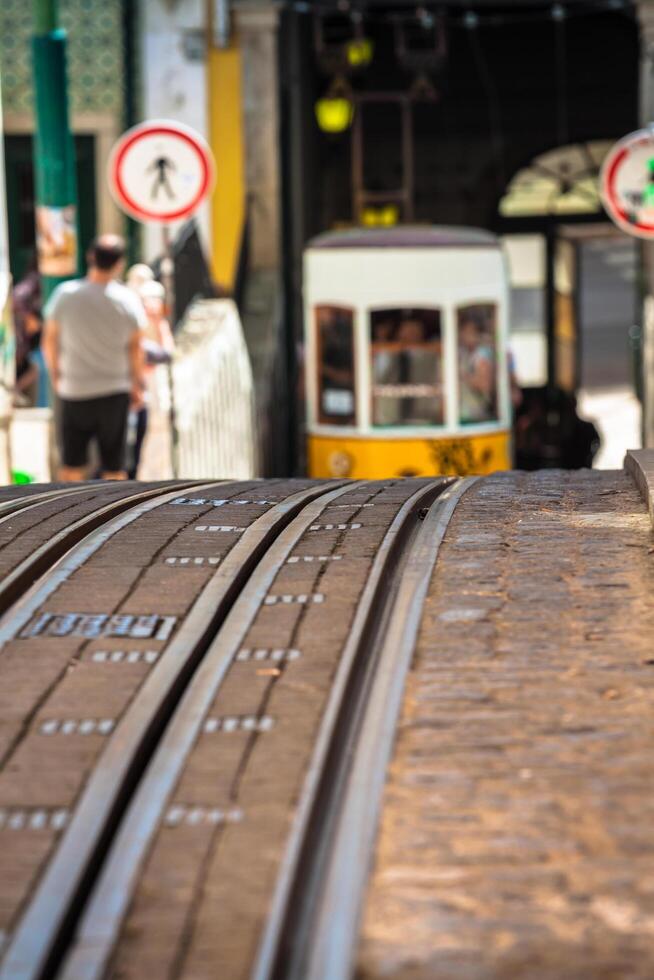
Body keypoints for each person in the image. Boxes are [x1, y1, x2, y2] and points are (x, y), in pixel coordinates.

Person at [41, 234, 146, 481]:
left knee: (71, 464)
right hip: (115, 390)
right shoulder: (127, 300)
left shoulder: (65, 295)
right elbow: (135, 347)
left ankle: (67, 515)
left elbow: (49, 341)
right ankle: (115, 517)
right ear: (119, 263)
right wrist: (137, 384)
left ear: (90, 257)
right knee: (114, 466)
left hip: (75, 389)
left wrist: (57, 375)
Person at [458, 311, 496, 423]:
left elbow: (484, 385)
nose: (467, 335)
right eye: (464, 331)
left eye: (471, 332)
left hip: (476, 415)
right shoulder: (464, 353)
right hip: (463, 414)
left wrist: (462, 376)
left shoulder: (482, 354)